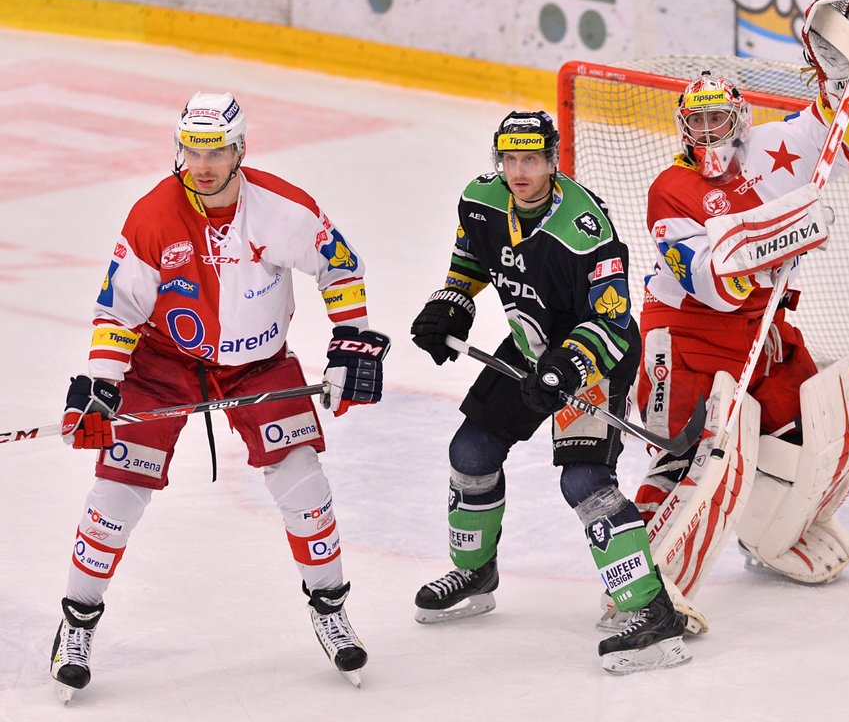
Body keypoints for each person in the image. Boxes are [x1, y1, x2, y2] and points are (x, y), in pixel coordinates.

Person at [50, 92, 389, 700]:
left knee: (303, 480)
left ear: (240, 151)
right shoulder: (152, 215)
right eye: (191, 150)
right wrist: (103, 384)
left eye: (217, 150)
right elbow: (119, 309)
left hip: (259, 366)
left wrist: (350, 343)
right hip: (162, 366)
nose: (202, 164)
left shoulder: (284, 209)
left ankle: (330, 609)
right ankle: (76, 622)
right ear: (178, 148)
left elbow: (341, 268)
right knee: (117, 491)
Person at [631, 0, 849, 606]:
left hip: (761, 327)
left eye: (718, 120)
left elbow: (834, 129)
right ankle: (636, 575)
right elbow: (708, 282)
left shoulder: (771, 149)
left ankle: (772, 534)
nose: (706, 133)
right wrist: (790, 231)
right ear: (681, 126)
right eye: (695, 123)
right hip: (687, 335)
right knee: (684, 459)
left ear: (739, 118)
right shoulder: (670, 192)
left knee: (802, 430)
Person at [408, 110, 689, 674]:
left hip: (593, 357)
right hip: (533, 347)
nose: (519, 171)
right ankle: (475, 569)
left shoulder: (587, 230)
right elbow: (471, 261)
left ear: (552, 161)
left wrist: (567, 369)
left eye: (531, 160)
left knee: (584, 480)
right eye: (509, 159)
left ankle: (651, 609)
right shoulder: (481, 201)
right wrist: (451, 305)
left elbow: (612, 321)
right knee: (471, 451)